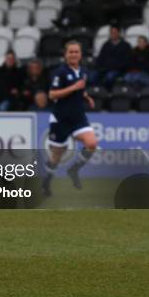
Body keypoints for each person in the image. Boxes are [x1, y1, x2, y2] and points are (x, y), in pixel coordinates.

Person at [42, 41, 97, 196]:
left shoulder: (83, 71)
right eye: (71, 52)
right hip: (61, 118)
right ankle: (47, 181)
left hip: (78, 117)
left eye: (76, 52)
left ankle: (74, 170)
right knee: (58, 154)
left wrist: (86, 97)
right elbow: (52, 95)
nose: (73, 54)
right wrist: (74, 88)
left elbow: (80, 89)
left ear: (80, 54)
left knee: (92, 143)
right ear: (65, 55)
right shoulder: (60, 72)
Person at [94, 24, 131, 89]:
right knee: (92, 76)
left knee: (109, 77)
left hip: (118, 70)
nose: (113, 34)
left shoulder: (125, 45)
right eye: (111, 33)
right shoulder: (106, 45)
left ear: (119, 33)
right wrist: (99, 67)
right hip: (104, 69)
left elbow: (126, 62)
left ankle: (108, 93)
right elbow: (100, 58)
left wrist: (114, 66)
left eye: (115, 32)